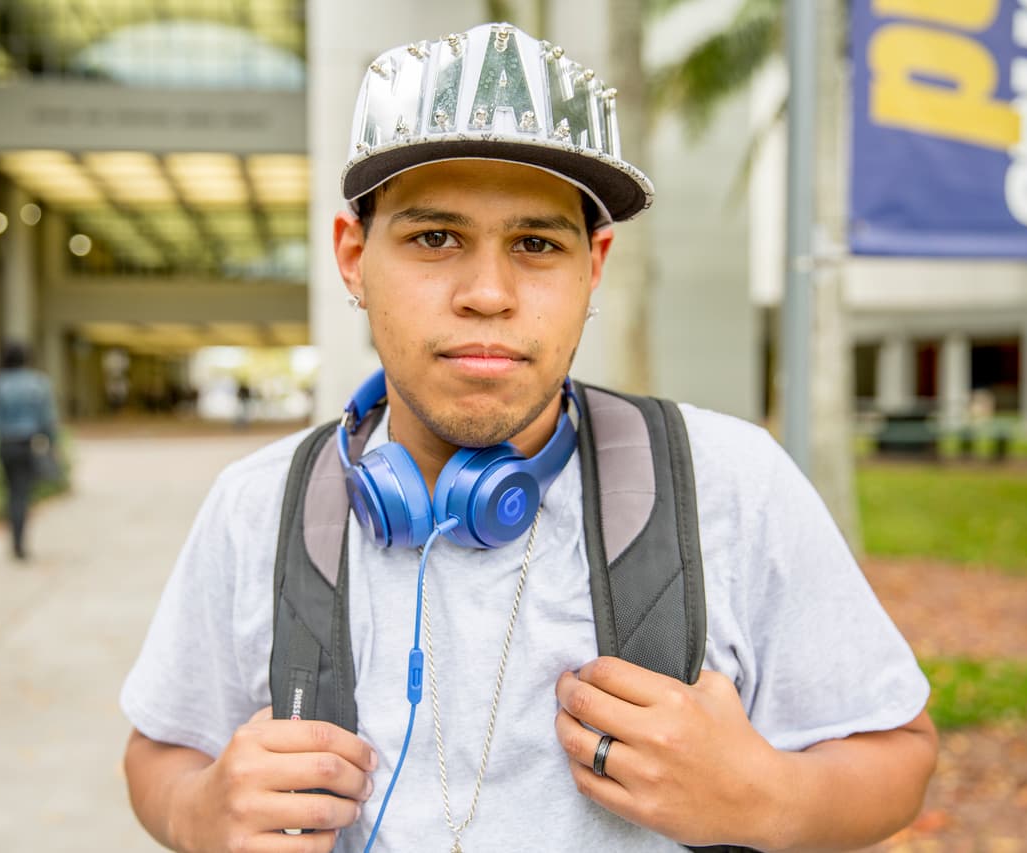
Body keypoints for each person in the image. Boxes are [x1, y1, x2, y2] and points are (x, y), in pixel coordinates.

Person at [120, 22, 937, 853]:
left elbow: (898, 751)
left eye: (536, 243)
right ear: (354, 257)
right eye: (435, 238)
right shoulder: (257, 504)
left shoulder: (731, 482)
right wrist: (196, 811)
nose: (488, 292)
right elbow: (160, 748)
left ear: (594, 267)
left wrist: (765, 797)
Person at [0, 340, 58, 561]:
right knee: (23, 494)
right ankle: (20, 542)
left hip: (6, 445)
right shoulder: (38, 383)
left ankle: (14, 540)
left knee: (11, 493)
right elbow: (48, 420)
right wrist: (53, 444)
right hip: (28, 445)